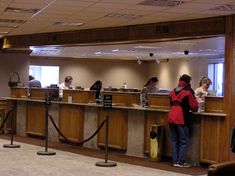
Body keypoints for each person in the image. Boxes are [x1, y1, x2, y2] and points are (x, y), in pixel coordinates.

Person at [167, 74, 198, 168]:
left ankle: (175, 161)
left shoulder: (172, 91)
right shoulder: (188, 92)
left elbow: (170, 104)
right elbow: (194, 108)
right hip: (181, 117)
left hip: (171, 116)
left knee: (173, 140)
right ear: (188, 82)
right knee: (183, 141)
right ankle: (180, 162)